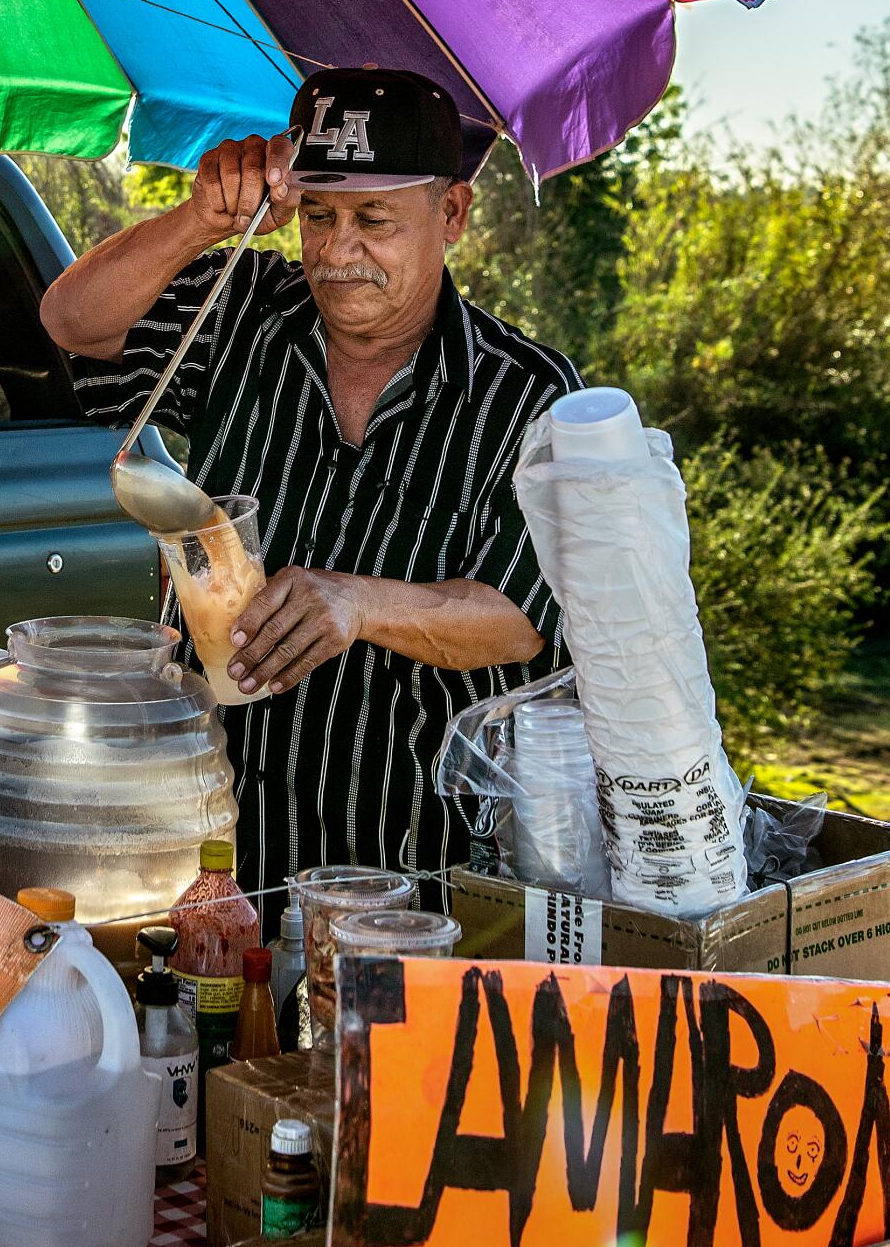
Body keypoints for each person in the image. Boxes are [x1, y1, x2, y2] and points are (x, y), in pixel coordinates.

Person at [40, 68, 578, 883]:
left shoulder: (529, 394)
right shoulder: (244, 311)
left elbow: (519, 617)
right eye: (319, 216)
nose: (338, 250)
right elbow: (72, 322)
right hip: (218, 843)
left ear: (454, 214)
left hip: (416, 866)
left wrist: (356, 603)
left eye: (375, 219)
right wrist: (201, 221)